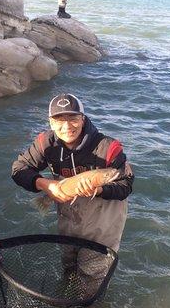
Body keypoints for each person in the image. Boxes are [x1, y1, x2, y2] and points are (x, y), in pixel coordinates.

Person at [11, 93, 134, 294]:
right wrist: (45, 185)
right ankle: (67, 301)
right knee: (69, 270)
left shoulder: (109, 147)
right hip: (68, 221)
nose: (67, 127)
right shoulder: (46, 143)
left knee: (91, 282)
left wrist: (99, 188)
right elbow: (18, 169)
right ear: (50, 122)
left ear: (83, 119)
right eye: (59, 120)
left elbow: (125, 185)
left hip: (101, 227)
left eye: (73, 119)